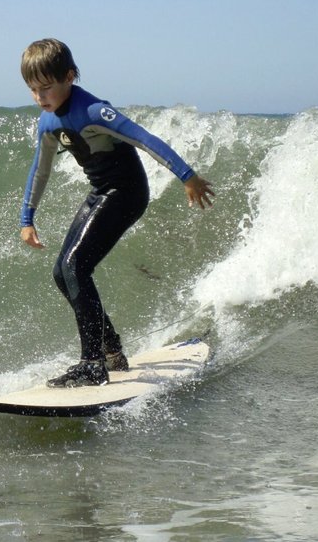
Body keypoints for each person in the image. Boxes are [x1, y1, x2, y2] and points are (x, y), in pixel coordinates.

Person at [19, 38, 215, 388]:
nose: (40, 97)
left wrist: (187, 176)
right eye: (33, 90)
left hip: (126, 193)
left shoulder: (94, 111)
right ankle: (110, 350)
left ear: (69, 76)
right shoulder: (48, 123)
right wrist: (27, 218)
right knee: (62, 273)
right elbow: (40, 170)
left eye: (46, 88)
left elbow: (144, 138)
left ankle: (93, 364)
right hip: (101, 192)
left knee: (75, 266)